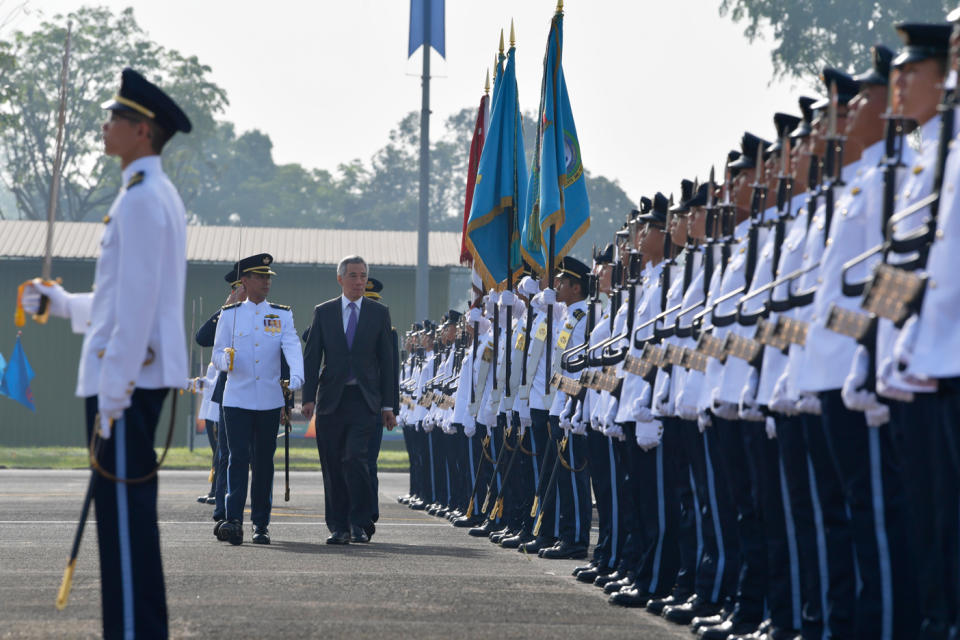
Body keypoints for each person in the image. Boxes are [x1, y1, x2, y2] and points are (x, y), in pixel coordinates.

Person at [21, 67, 192, 639]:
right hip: (125, 381)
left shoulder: (143, 200)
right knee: (127, 527)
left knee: (122, 527)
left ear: (142, 131)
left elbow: (138, 310)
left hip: (124, 386)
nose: (105, 125)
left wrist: (114, 392)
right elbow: (122, 298)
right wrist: (64, 303)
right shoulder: (144, 194)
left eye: (116, 116)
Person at [301, 255, 398, 545]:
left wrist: (389, 405)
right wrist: (307, 398)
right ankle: (338, 526)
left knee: (355, 459)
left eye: (363, 276)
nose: (359, 281)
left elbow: (388, 363)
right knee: (332, 464)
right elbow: (312, 357)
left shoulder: (379, 313)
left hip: (365, 400)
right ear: (340, 279)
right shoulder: (325, 312)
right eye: (353, 276)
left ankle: (360, 521)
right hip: (332, 400)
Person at [211, 253, 304, 545]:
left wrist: (297, 379)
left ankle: (261, 523)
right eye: (260, 277)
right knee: (236, 459)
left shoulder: (281, 314)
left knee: (264, 463)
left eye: (268, 277)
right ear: (246, 281)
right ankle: (233, 519)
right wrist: (225, 361)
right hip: (236, 398)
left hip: (268, 399)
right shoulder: (230, 314)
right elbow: (215, 355)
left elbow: (292, 348)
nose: (266, 282)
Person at [361, 277, 400, 523]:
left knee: (368, 463)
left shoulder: (388, 332)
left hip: (374, 405)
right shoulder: (340, 320)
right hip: (345, 405)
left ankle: (368, 513)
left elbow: (391, 372)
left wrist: (391, 407)